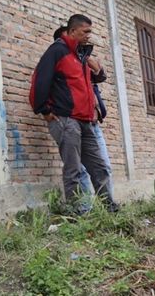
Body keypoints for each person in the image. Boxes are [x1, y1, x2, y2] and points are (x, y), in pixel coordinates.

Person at [30, 15, 116, 212]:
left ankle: (110, 210)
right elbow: (40, 80)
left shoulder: (81, 56)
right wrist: (43, 109)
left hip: (86, 120)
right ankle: (77, 214)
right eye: (85, 32)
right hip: (66, 120)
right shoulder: (57, 51)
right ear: (72, 31)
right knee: (74, 170)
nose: (89, 36)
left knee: (99, 167)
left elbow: (96, 80)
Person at [53, 26, 115, 202]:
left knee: (103, 167)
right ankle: (84, 211)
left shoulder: (81, 60)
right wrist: (47, 112)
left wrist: (95, 68)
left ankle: (108, 209)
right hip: (72, 122)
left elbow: (100, 77)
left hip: (92, 123)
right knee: (78, 170)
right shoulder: (58, 62)